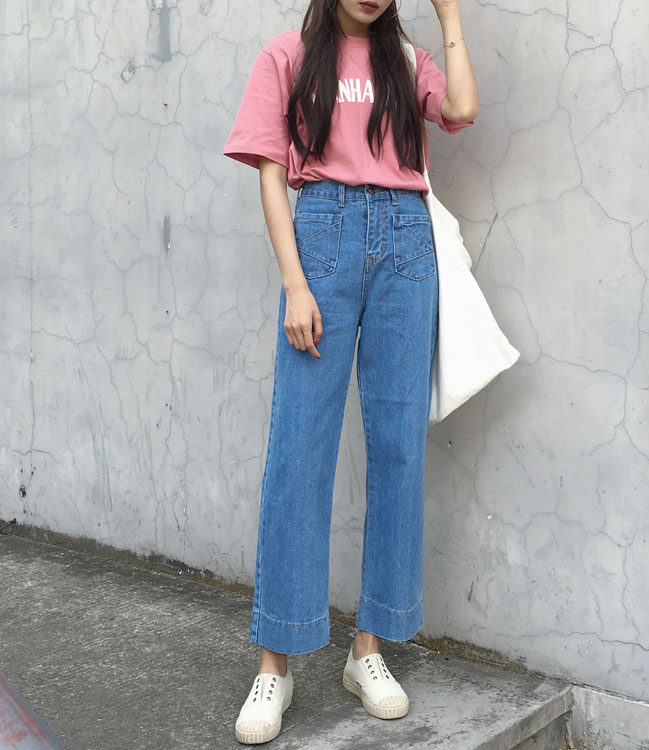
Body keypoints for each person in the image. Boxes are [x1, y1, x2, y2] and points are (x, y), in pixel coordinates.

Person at [223, 0, 477, 743]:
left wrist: (449, 13)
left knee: (398, 447)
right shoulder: (287, 56)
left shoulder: (408, 62)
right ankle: (276, 661)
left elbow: (462, 108)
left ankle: (368, 649)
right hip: (323, 236)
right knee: (299, 449)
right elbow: (271, 174)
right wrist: (295, 283)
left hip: (406, 243)